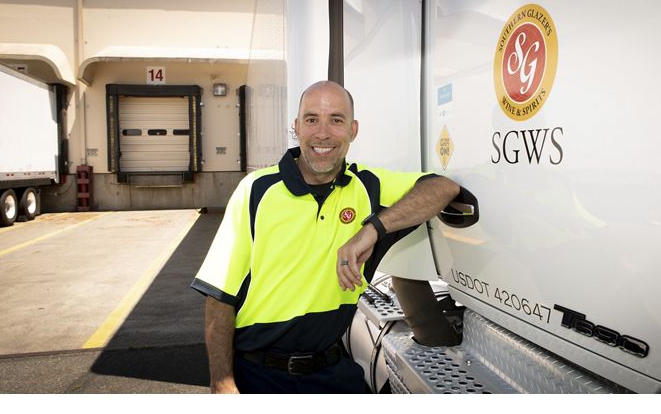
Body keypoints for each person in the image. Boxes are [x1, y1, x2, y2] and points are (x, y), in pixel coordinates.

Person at [191, 80, 462, 393]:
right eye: (311, 120)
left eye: (336, 120)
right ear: (296, 127)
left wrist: (372, 229)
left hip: (331, 370)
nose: (322, 133)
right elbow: (219, 297)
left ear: (352, 130)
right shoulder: (256, 191)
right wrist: (222, 382)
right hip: (258, 374)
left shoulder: (367, 186)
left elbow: (442, 188)